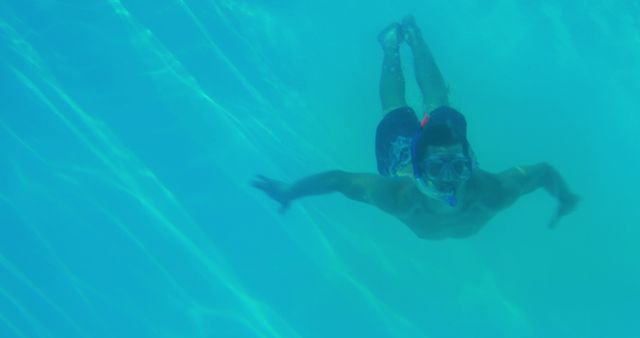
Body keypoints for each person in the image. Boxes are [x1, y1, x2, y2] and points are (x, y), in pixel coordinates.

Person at [252, 16, 579, 240]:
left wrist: (565, 197)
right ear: (421, 169)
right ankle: (391, 47)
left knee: (437, 102)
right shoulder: (397, 196)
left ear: (468, 162)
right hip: (400, 156)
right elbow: (338, 180)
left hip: (438, 144)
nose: (450, 176)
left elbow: (542, 173)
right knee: (397, 107)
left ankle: (415, 37)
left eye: (458, 165)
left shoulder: (491, 193)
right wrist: (290, 191)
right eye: (438, 167)